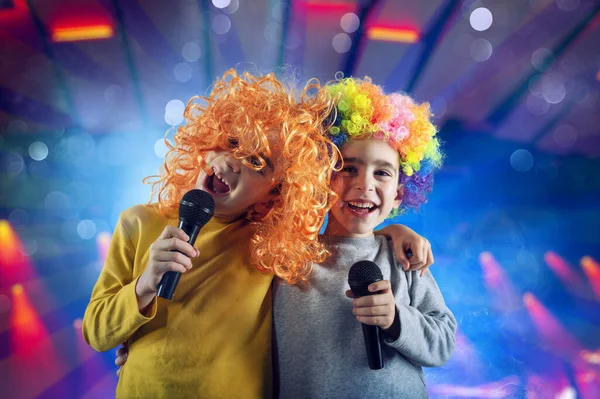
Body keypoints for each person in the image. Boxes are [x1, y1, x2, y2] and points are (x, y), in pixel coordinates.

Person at [83, 70, 434, 399]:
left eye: (257, 162)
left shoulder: (274, 247)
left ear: (276, 192)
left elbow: (349, 243)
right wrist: (145, 284)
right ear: (207, 140)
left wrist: (390, 231)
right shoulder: (138, 223)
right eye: (231, 141)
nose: (233, 161)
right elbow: (97, 332)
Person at [272, 77, 456, 398]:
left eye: (382, 172)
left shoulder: (404, 259)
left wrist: (396, 319)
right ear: (319, 176)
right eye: (347, 168)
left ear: (399, 194)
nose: (365, 184)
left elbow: (443, 342)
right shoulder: (285, 254)